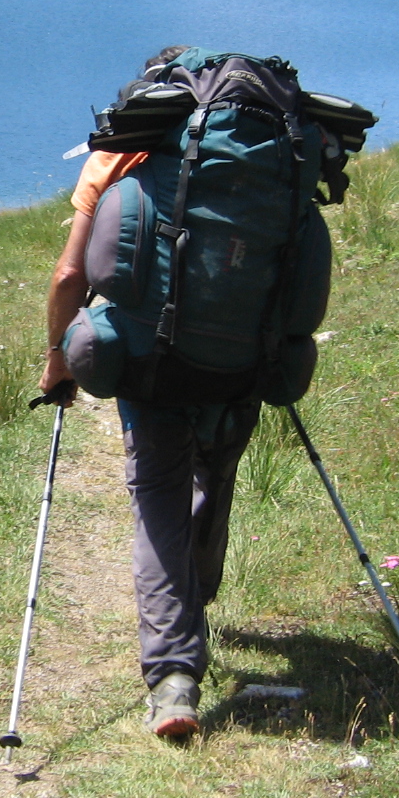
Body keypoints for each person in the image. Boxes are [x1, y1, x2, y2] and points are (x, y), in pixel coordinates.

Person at [37, 46, 261, 740]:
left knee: (160, 502)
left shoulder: (123, 151)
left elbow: (71, 276)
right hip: (242, 355)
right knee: (213, 474)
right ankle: (195, 599)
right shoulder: (257, 152)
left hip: (150, 365)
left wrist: (57, 359)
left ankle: (173, 678)